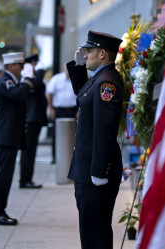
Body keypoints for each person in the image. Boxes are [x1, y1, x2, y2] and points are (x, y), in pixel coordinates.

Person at [66, 30, 123, 249]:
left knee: (95, 235)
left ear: (102, 54)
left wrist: (99, 172)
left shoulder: (106, 84)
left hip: (94, 172)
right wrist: (79, 68)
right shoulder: (99, 78)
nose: (85, 54)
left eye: (89, 51)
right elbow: (83, 96)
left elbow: (104, 130)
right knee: (90, 232)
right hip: (87, 169)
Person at [0, 52, 35, 226]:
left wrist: (26, 81)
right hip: (6, 136)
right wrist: (27, 80)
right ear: (11, 66)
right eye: (20, 65)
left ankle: (0, 211)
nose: (23, 69)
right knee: (3, 176)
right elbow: (19, 94)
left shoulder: (12, 81)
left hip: (10, 136)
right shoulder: (5, 81)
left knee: (6, 176)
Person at [19, 54, 47, 188]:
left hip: (35, 118)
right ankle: (25, 179)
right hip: (30, 118)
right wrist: (40, 72)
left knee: (31, 151)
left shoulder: (33, 77)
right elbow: (34, 85)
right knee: (28, 151)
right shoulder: (27, 77)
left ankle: (27, 178)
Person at [46, 66, 78, 164]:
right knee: (56, 134)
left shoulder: (76, 79)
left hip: (73, 110)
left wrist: (79, 111)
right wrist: (51, 108)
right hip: (59, 110)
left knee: (74, 134)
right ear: (64, 69)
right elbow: (50, 94)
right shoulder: (56, 79)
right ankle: (55, 157)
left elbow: (81, 95)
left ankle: (73, 158)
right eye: (67, 69)